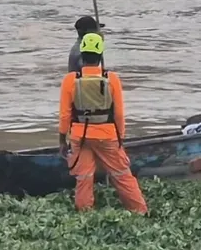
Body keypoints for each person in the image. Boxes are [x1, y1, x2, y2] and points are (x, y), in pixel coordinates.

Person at [58, 32, 147, 214]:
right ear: (100, 55)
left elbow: (65, 115)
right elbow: (119, 113)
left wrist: (62, 140)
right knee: (122, 175)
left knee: (83, 177)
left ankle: (85, 212)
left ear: (82, 55)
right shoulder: (112, 79)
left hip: (79, 136)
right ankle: (139, 211)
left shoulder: (70, 80)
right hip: (107, 136)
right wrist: (120, 137)